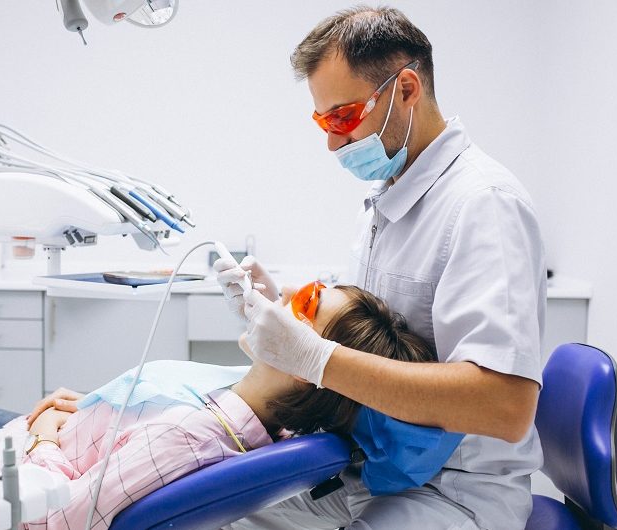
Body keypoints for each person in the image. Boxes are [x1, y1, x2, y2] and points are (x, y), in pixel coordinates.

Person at [214, 6, 547, 530]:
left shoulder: (484, 204)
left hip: (451, 492)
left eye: (343, 117)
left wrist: (314, 357)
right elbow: (368, 343)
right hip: (369, 470)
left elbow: (504, 407)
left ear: (407, 89)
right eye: (322, 121)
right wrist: (283, 314)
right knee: (214, 513)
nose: (331, 141)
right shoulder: (387, 198)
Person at [0, 284, 448, 530]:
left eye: (305, 303)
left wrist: (47, 436)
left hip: (3, 476)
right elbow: (145, 441)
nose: (284, 295)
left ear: (302, 363)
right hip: (62, 436)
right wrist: (105, 411)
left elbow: (58, 517)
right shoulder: (272, 416)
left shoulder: (190, 441)